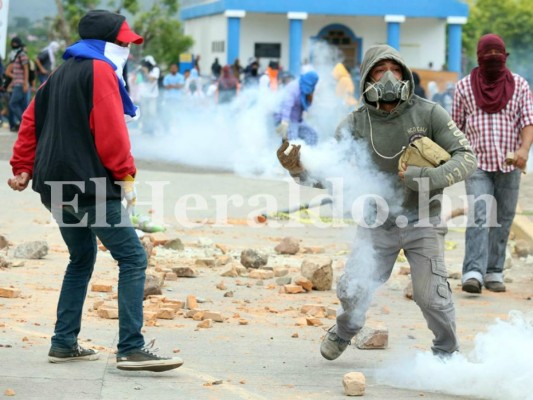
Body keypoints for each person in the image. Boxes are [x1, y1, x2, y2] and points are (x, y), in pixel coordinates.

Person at [8, 9, 183, 372]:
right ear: (108, 42)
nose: (128, 49)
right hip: (88, 186)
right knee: (133, 259)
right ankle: (131, 348)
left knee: (81, 257)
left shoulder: (57, 74)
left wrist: (23, 167)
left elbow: (29, 122)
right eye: (124, 42)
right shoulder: (100, 70)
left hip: (52, 186)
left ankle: (63, 342)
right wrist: (126, 175)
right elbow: (111, 133)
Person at [277, 44, 477, 360]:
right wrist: (299, 170)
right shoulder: (354, 124)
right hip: (375, 222)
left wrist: (425, 178)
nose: (388, 77)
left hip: (422, 219)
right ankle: (344, 330)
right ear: (367, 77)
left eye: (395, 70)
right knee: (351, 290)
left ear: (405, 74)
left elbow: (467, 158)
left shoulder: (429, 112)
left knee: (431, 297)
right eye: (379, 70)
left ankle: (447, 351)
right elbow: (333, 175)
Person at [452, 33, 533, 294]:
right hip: (476, 164)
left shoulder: (520, 85)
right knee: (479, 215)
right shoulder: (464, 87)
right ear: (478, 58)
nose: (493, 60)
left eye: (498, 55)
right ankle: (473, 271)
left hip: (510, 165)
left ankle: (494, 271)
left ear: (505, 57)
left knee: (503, 218)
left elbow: (528, 122)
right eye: (488, 56)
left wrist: (523, 149)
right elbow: (455, 127)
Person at [273, 70, 319, 146]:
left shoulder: (306, 88)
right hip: (284, 119)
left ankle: (306, 155)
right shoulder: (294, 87)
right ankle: (282, 156)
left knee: (312, 135)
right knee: (292, 139)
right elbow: (286, 105)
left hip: (296, 121)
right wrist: (284, 122)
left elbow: (306, 105)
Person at [5, 36, 29, 133]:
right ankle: (25, 125)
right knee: (22, 105)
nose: (13, 45)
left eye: (14, 43)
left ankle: (25, 123)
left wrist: (25, 83)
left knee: (13, 103)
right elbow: (9, 72)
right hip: (17, 83)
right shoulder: (15, 56)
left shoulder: (21, 55)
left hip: (20, 84)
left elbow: (26, 69)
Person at [138, 55, 160, 135]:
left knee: (152, 112)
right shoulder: (142, 70)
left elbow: (151, 80)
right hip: (143, 95)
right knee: (144, 113)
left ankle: (152, 128)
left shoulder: (155, 70)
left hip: (152, 96)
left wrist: (146, 72)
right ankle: (145, 129)